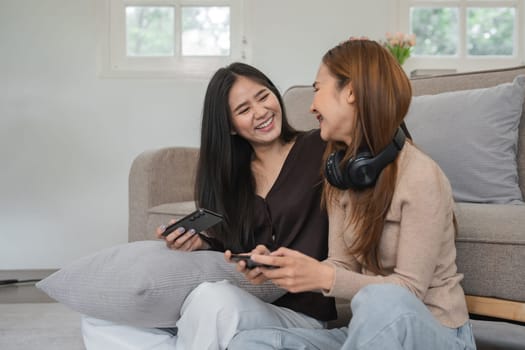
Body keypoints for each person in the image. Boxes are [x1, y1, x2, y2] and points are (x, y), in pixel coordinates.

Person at [227, 39, 477, 349]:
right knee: (250, 342)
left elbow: (408, 292)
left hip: (436, 334)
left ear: (351, 92)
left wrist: (324, 278)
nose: (311, 105)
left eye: (318, 88)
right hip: (368, 334)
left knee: (381, 302)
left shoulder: (421, 175)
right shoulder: (340, 174)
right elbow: (342, 266)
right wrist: (288, 269)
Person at [80, 62, 336, 350]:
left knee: (212, 301)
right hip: (241, 301)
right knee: (99, 319)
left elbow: (377, 132)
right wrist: (201, 245)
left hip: (300, 314)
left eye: (263, 96)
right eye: (243, 110)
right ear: (229, 126)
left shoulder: (319, 147)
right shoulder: (226, 180)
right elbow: (231, 253)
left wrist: (358, 71)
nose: (261, 112)